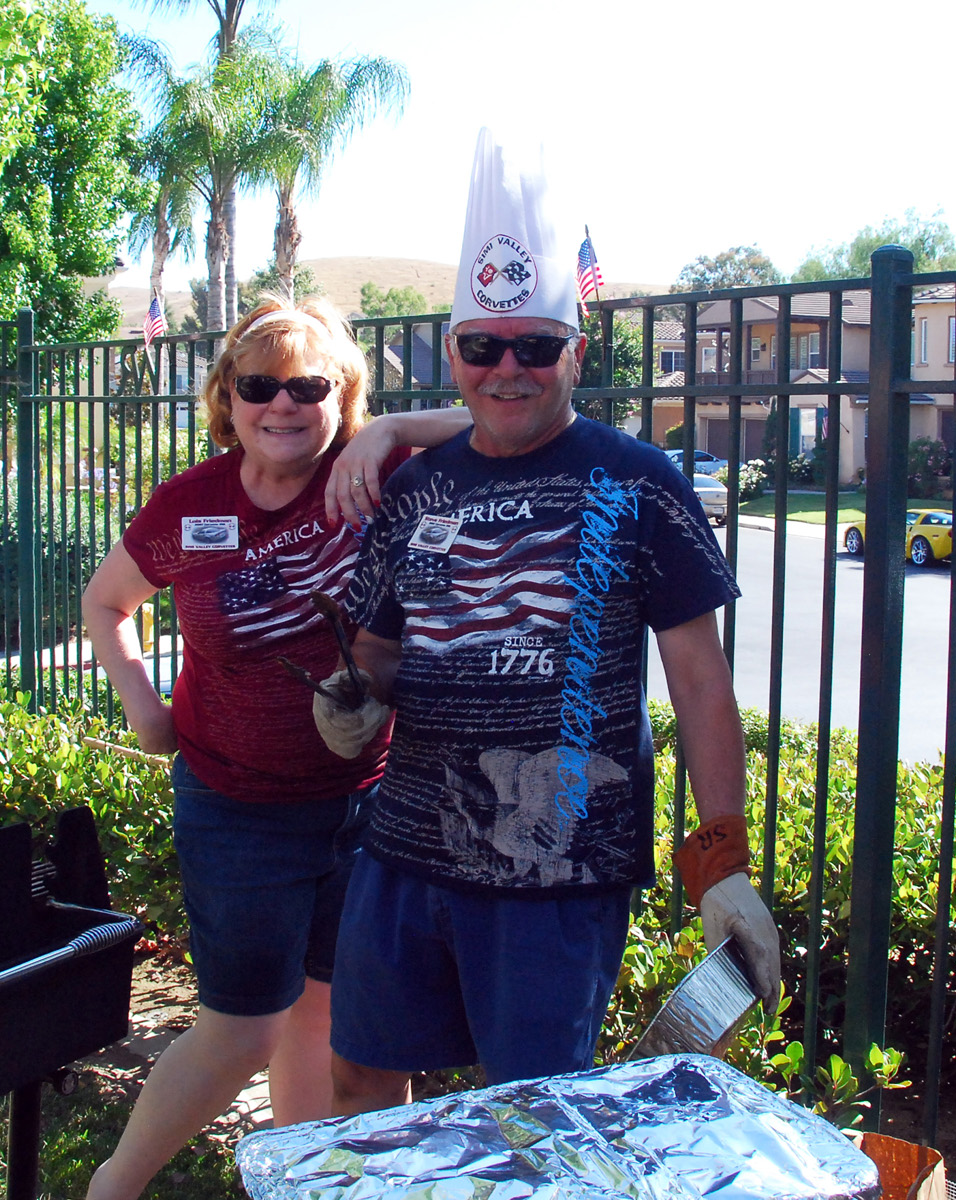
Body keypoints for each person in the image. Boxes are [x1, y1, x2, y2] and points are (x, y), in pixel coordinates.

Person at [313, 128, 784, 1113]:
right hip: (405, 850)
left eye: (535, 346)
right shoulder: (417, 489)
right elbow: (373, 652)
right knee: (360, 1077)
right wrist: (348, 700)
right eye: (485, 347)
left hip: (558, 870)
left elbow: (700, 681)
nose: (508, 369)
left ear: (575, 352)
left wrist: (724, 859)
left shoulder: (639, 481)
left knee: (534, 1113)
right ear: (455, 353)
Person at [81, 297, 469, 1200]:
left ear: (343, 397)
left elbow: (527, 427)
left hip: (369, 801)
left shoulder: (381, 476)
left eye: (309, 386)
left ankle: (307, 1186)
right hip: (238, 807)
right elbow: (106, 603)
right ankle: (114, 1187)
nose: (283, 405)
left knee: (333, 1021)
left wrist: (393, 430)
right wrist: (143, 708)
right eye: (260, 385)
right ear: (227, 396)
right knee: (244, 1027)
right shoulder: (189, 506)